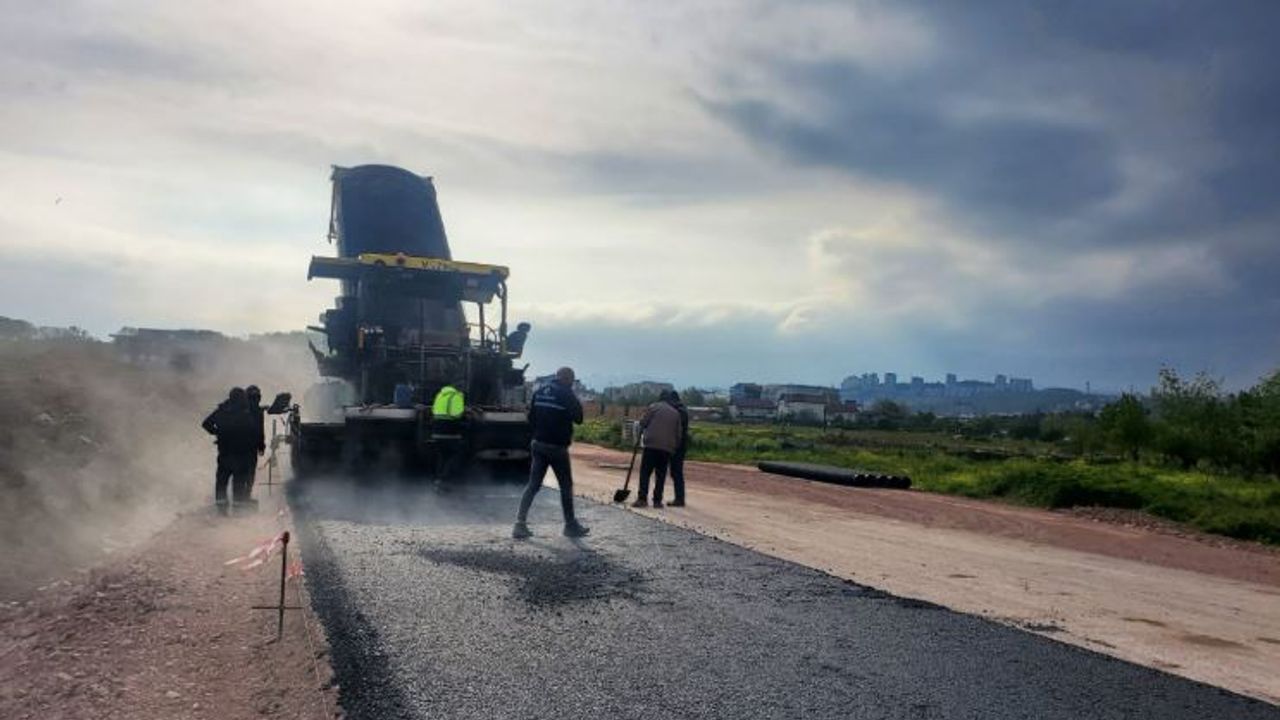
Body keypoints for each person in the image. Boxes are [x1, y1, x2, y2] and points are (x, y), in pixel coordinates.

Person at [513, 366, 589, 538]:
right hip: (557, 447)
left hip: (538, 444)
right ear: (568, 379)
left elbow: (530, 418)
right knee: (566, 486)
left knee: (533, 485)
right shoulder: (566, 394)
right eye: (571, 380)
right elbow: (579, 418)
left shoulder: (540, 391)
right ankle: (570, 526)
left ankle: (519, 524)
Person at [201, 387, 258, 514]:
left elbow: (206, 423)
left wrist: (217, 433)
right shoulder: (245, 414)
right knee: (238, 483)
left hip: (225, 452)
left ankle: (222, 510)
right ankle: (238, 511)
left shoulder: (222, 410)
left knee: (221, 481)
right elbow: (251, 433)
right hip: (240, 454)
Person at [633, 390, 682, 508]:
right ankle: (657, 501)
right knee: (660, 475)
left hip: (651, 445)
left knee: (645, 472)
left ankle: (642, 499)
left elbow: (643, 423)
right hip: (666, 449)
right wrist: (674, 447)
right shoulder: (675, 413)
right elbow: (678, 434)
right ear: (669, 400)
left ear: (659, 398)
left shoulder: (653, 407)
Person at [667, 390, 689, 507]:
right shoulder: (682, 410)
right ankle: (679, 498)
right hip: (680, 444)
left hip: (678, 445)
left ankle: (679, 499)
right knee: (676, 472)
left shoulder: (679, 411)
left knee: (676, 472)